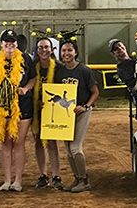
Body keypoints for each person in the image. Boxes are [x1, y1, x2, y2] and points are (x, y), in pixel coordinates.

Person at [0, 29, 36, 192]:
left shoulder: (26, 59)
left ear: (16, 44)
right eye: (6, 43)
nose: (10, 45)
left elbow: (33, 78)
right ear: (1, 44)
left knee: (19, 143)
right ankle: (7, 180)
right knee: (6, 144)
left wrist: (26, 89)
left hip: (23, 107)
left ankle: (18, 181)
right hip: (3, 108)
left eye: (12, 43)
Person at [55, 38, 99, 193]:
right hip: (67, 114)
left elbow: (95, 92)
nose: (66, 53)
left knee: (75, 147)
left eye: (69, 50)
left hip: (82, 112)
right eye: (64, 51)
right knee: (67, 148)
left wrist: (86, 106)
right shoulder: (60, 71)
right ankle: (77, 178)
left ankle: (85, 180)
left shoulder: (84, 70)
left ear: (75, 52)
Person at [30, 38, 63, 189]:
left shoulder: (58, 68)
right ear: (37, 50)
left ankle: (56, 175)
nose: (44, 50)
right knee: (37, 140)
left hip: (53, 110)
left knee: (51, 142)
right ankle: (43, 175)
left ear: (52, 49)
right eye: (41, 48)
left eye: (46, 47)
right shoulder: (32, 68)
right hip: (36, 110)